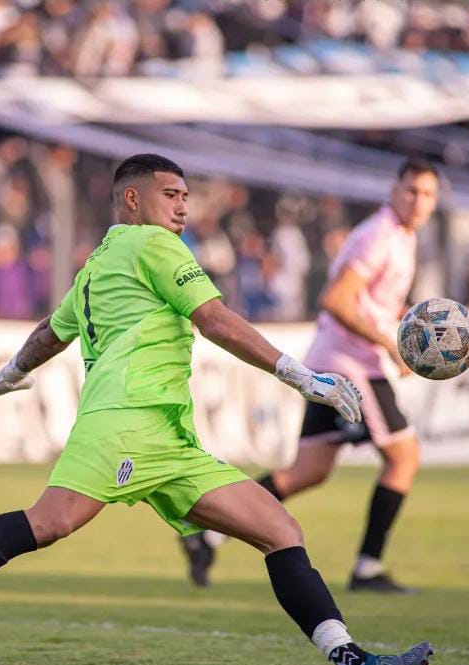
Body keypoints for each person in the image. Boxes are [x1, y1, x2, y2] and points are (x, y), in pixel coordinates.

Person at [0, 154, 433, 665]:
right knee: (48, 524)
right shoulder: (155, 247)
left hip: (171, 441)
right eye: (170, 195)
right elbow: (214, 320)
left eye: (186, 197)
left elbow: (52, 332)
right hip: (123, 428)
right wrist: (301, 375)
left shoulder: (100, 263)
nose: (183, 208)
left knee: (280, 529)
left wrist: (10, 373)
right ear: (133, 199)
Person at [182, 158, 440, 594]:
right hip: (351, 364)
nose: (418, 202)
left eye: (428, 194)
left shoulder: (400, 237)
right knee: (404, 458)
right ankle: (368, 568)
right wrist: (388, 343)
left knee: (306, 472)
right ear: (394, 191)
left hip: (334, 359)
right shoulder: (380, 236)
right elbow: (337, 300)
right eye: (411, 191)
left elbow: (373, 300)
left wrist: (410, 332)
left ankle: (207, 534)